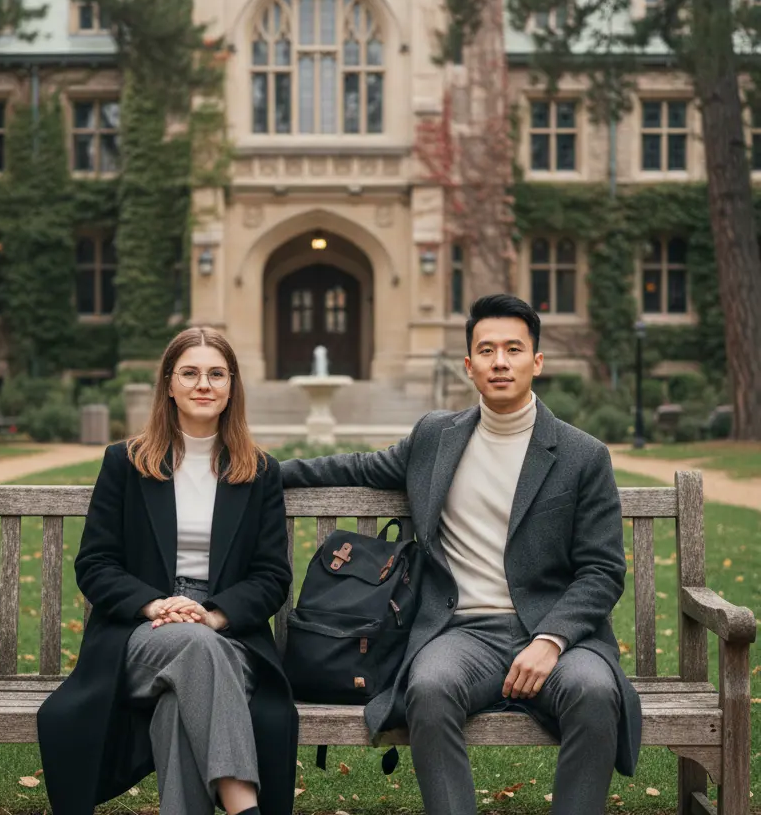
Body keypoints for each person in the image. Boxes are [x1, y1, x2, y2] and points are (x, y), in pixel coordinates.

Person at [280, 293, 642, 815]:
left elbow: (603, 570)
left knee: (593, 691)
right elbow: (357, 467)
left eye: (514, 349)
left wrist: (552, 639)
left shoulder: (583, 455)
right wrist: (264, 472)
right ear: (469, 366)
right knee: (429, 687)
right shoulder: (436, 438)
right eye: (487, 350)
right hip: (459, 633)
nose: (500, 361)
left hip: (554, 636)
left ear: (536, 362)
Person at [38, 328, 298, 815]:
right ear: (169, 384)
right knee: (195, 649)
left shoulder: (258, 470)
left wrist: (214, 616)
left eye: (216, 374)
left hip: (229, 635)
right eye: (191, 373)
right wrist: (156, 604)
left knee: (184, 696)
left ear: (231, 386)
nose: (204, 384)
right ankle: (245, 808)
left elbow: (270, 576)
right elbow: (95, 563)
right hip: (139, 631)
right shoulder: (127, 462)